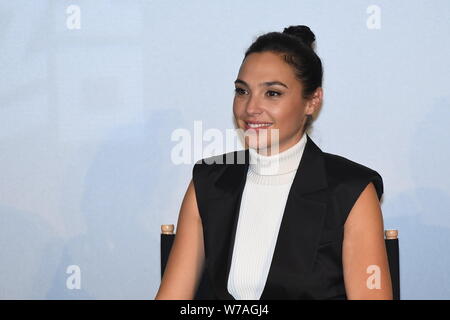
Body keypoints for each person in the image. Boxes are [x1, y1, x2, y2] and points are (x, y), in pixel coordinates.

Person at [155, 25, 393, 300]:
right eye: (242, 91)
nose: (250, 108)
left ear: (312, 101)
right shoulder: (209, 182)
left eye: (273, 93)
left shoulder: (350, 190)